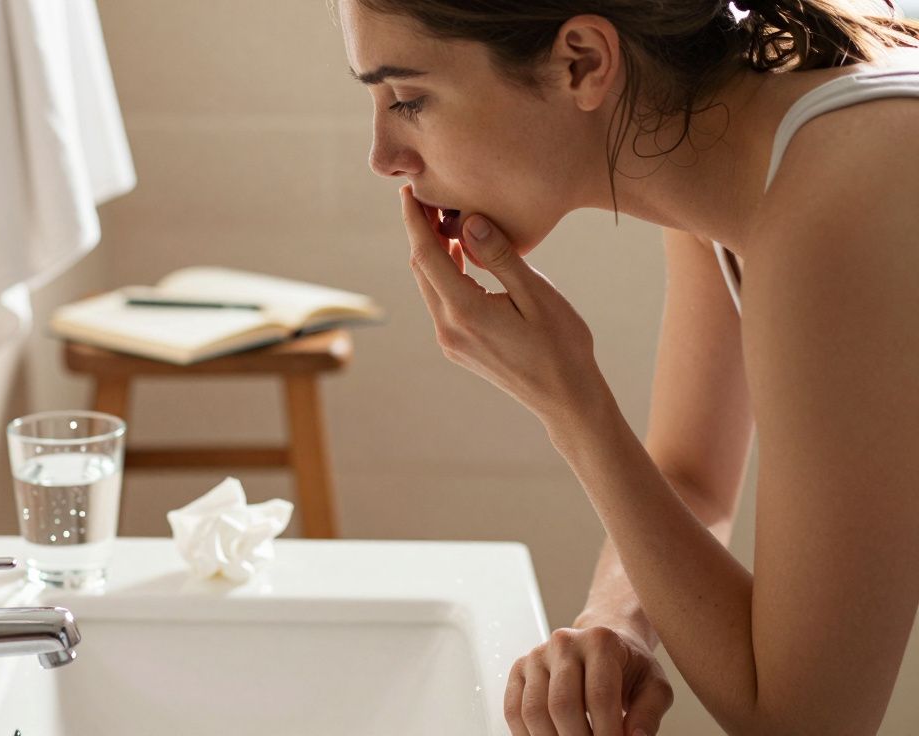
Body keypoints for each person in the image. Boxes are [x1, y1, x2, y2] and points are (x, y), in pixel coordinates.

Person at [337, 1, 919, 734]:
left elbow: (808, 721)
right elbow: (690, 478)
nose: (383, 155)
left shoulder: (834, 202)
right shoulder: (733, 152)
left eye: (409, 99)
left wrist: (573, 407)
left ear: (582, 61)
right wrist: (614, 621)